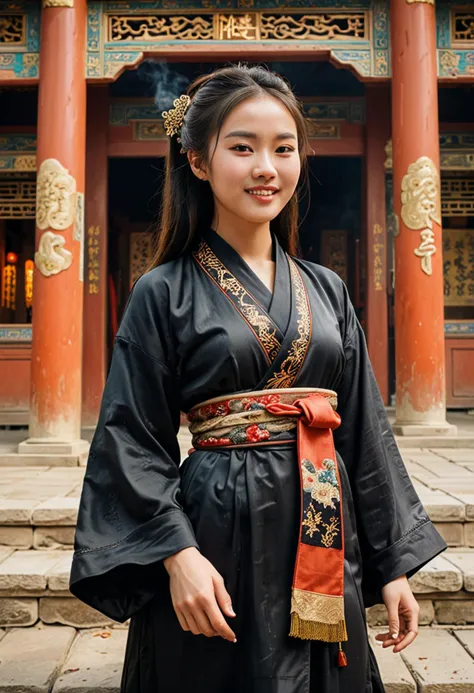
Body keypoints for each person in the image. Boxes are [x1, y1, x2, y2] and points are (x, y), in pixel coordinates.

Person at [70, 64, 447, 693]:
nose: (265, 168)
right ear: (197, 160)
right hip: (216, 531)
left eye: (284, 148)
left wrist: (391, 565)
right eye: (242, 147)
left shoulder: (325, 289)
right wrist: (177, 555)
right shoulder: (162, 292)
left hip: (323, 522)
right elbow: (132, 437)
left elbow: (364, 432)